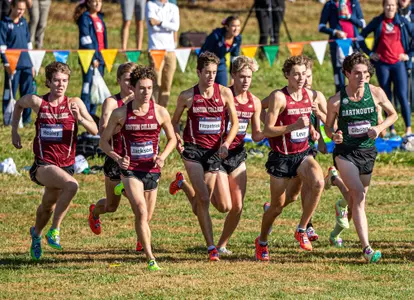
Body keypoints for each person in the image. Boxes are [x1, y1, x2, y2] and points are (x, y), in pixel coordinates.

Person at [170, 56, 263, 255]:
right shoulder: (198, 95)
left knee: (233, 206)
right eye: (242, 76)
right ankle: (211, 245)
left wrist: (282, 130)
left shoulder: (250, 101)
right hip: (206, 152)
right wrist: (177, 138)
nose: (246, 81)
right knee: (215, 203)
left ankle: (220, 245)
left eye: (249, 77)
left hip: (233, 153)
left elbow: (254, 132)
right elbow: (174, 121)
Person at [11, 62, 98, 260]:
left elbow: (95, 130)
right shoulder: (37, 102)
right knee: (72, 186)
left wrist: (80, 119)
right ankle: (55, 230)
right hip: (43, 165)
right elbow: (18, 105)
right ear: (48, 82)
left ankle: (36, 234)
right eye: (57, 81)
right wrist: (14, 131)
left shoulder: (74, 103)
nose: (61, 85)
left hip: (65, 165)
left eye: (65, 81)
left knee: (48, 206)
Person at [99, 66, 176, 271]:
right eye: (142, 88)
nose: (146, 92)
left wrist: (162, 156)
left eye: (150, 88)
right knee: (141, 213)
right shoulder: (120, 112)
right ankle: (151, 258)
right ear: (133, 88)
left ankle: (124, 191)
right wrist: (117, 158)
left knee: (147, 217)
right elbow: (103, 143)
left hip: (151, 169)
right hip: (130, 169)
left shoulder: (160, 112)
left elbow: (172, 139)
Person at [325, 52, 398, 263]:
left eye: (365, 73)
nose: (362, 77)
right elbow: (328, 127)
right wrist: (334, 135)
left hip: (368, 152)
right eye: (357, 73)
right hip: (346, 153)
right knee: (359, 196)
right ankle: (366, 248)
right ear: (347, 73)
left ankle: (336, 183)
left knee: (357, 199)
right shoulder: (337, 101)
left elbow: (393, 114)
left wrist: (380, 126)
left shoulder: (375, 93)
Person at [255, 55, 325, 261]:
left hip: (303, 154)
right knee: (277, 206)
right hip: (281, 157)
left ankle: (302, 229)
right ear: (287, 75)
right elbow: (268, 129)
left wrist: (312, 130)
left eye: (303, 74)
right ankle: (262, 242)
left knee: (318, 182)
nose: (301, 78)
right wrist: (293, 127)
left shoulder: (309, 95)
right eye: (296, 74)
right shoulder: (279, 97)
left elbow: (304, 120)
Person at [88, 63, 135, 237]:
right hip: (115, 157)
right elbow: (103, 131)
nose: (130, 84)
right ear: (118, 80)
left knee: (139, 202)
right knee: (111, 206)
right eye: (127, 80)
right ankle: (94, 212)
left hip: (136, 159)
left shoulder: (143, 101)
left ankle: (142, 240)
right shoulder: (112, 102)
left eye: (133, 80)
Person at [359, 0, 413, 138]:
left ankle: (408, 129)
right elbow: (360, 37)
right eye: (388, 5)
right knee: (386, 97)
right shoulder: (377, 21)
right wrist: (370, 53)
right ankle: (391, 129)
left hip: (398, 64)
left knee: (402, 95)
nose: (390, 7)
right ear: (383, 6)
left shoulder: (401, 21)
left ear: (396, 7)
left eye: (393, 5)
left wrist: (409, 55)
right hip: (382, 65)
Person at [319, 0, 366, 92]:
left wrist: (349, 16)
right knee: (339, 75)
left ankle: (357, 100)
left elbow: (362, 24)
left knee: (357, 71)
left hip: (354, 44)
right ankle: (340, 100)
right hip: (337, 46)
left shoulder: (354, 2)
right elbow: (321, 27)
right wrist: (335, 32)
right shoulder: (329, 4)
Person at [0, 0, 34, 126]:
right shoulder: (4, 24)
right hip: (13, 65)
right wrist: (7, 64)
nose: (21, 12)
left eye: (23, 10)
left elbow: (29, 43)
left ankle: (26, 119)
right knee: (10, 93)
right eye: (19, 9)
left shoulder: (24, 22)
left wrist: (33, 64)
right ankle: (9, 119)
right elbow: (2, 46)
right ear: (12, 7)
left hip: (26, 64)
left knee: (28, 93)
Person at [74, 0, 107, 115]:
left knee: (97, 86)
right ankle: (84, 113)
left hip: (101, 58)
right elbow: (85, 39)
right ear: (88, 3)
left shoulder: (100, 18)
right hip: (89, 58)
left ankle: (92, 114)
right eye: (95, 1)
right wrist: (93, 57)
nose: (98, 4)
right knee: (87, 85)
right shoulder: (85, 18)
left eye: (100, 1)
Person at [145, 0, 179, 107]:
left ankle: (162, 111)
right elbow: (152, 24)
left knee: (167, 85)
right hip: (156, 49)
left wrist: (160, 22)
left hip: (170, 50)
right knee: (155, 84)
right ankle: (153, 110)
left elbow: (176, 27)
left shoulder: (173, 7)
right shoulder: (150, 4)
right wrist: (168, 25)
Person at [200, 15, 242, 86]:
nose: (236, 29)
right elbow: (203, 52)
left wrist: (233, 77)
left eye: (238, 26)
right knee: (207, 90)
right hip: (207, 64)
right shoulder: (215, 36)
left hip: (221, 63)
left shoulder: (238, 38)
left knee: (222, 89)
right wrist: (202, 68)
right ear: (227, 27)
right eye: (234, 26)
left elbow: (234, 58)